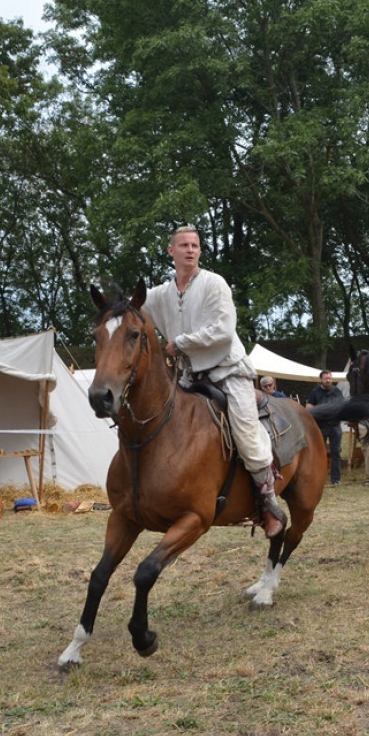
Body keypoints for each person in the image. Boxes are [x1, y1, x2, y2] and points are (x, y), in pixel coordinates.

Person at [142, 225, 286, 537]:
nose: (190, 250)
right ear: (171, 251)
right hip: (189, 377)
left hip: (228, 372)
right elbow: (133, 306)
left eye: (195, 245)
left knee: (246, 434)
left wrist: (180, 343)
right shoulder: (161, 294)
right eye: (183, 245)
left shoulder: (214, 283)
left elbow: (223, 330)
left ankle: (268, 503)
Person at [306, 370, 345, 486]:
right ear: (321, 380)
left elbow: (341, 406)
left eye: (330, 378)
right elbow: (308, 408)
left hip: (335, 427)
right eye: (326, 378)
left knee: (336, 452)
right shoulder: (315, 392)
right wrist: (321, 411)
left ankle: (335, 479)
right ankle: (318, 477)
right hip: (320, 427)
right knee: (319, 452)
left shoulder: (337, 391)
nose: (328, 380)